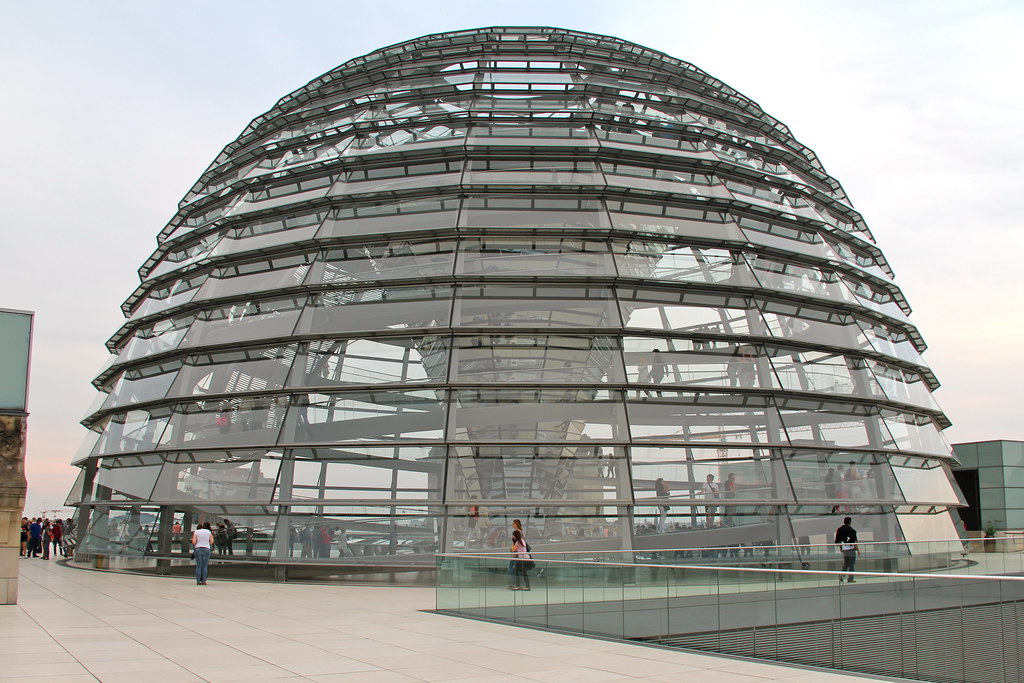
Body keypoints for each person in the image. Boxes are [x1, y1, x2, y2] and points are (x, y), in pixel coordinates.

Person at [835, 516, 859, 583]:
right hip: (851, 549)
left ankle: (842, 575)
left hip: (844, 549)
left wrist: (841, 548)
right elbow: (855, 541)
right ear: (850, 522)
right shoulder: (852, 531)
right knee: (851, 564)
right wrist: (857, 549)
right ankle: (850, 579)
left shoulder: (840, 530)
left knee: (846, 563)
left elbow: (838, 540)